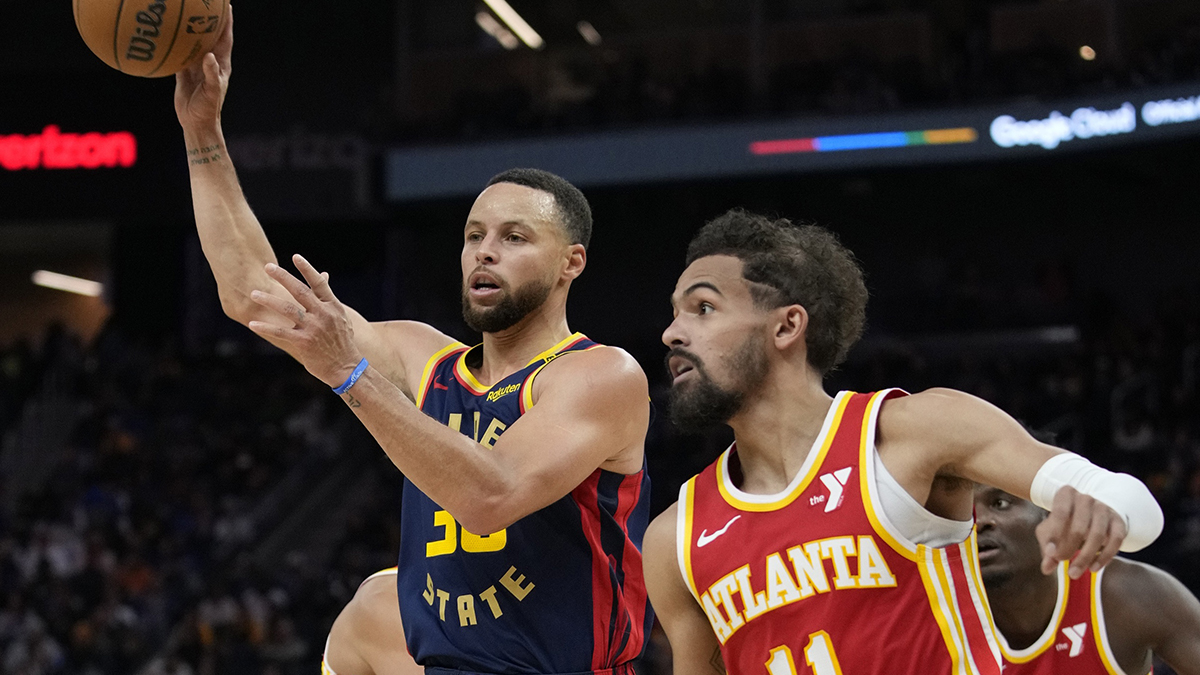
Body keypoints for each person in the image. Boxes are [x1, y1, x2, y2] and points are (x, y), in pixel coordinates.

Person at [174, 13, 653, 675]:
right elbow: (254, 297)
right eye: (474, 234)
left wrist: (351, 374)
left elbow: (492, 495)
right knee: (373, 607)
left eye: (514, 238)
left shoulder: (600, 375)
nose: (486, 250)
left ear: (571, 262)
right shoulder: (425, 358)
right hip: (451, 662)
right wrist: (203, 138)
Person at [641, 209, 1164, 675]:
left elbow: (1134, 508)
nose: (672, 333)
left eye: (702, 308)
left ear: (787, 327)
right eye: (675, 313)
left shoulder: (912, 431)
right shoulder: (676, 538)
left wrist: (1104, 507)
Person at [976, 484, 1200, 674]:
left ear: (1050, 513)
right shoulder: (945, 616)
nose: (980, 521)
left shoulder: (1125, 593)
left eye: (1000, 503)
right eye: (967, 513)